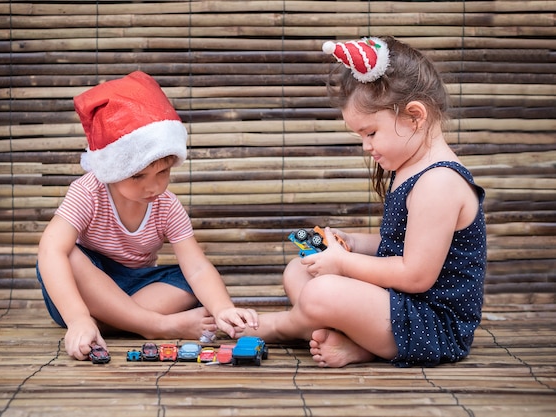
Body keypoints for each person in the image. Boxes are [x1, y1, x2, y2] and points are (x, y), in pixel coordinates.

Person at [245, 36, 487, 368]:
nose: (365, 146)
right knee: (298, 272)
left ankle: (282, 326)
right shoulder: (409, 166)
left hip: (432, 325)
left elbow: (415, 274)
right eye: (359, 136)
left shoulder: (439, 182)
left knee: (321, 292)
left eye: (370, 133)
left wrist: (343, 265)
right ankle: (361, 343)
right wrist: (354, 244)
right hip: (401, 307)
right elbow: (401, 246)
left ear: (415, 116)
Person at [37, 71, 258, 360]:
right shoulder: (88, 192)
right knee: (66, 255)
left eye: (163, 172)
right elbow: (50, 250)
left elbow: (197, 268)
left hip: (137, 288)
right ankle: (153, 325)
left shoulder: (166, 205)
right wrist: (77, 316)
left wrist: (222, 307)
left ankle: (113, 320)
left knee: (190, 280)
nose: (153, 186)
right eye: (138, 176)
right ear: (111, 169)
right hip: (86, 290)